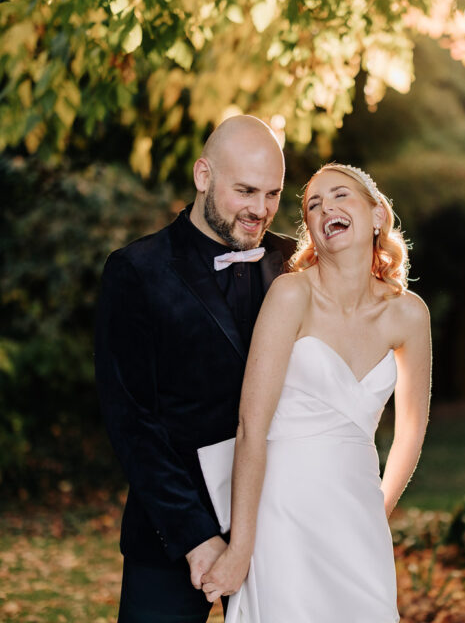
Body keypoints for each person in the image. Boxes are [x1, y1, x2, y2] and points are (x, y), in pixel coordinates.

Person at [200, 163, 432, 622]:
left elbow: (410, 431)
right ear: (311, 229)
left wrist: (376, 510)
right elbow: (252, 428)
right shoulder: (291, 295)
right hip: (282, 508)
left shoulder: (409, 314)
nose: (327, 207)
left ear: (377, 215)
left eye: (341, 195)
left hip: (358, 511)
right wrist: (242, 546)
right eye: (313, 204)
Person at [94, 115, 297, 622]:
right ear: (203, 175)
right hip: (168, 536)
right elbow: (131, 421)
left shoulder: (297, 265)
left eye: (272, 194)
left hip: (278, 526)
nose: (260, 210)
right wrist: (195, 538)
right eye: (246, 191)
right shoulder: (135, 271)